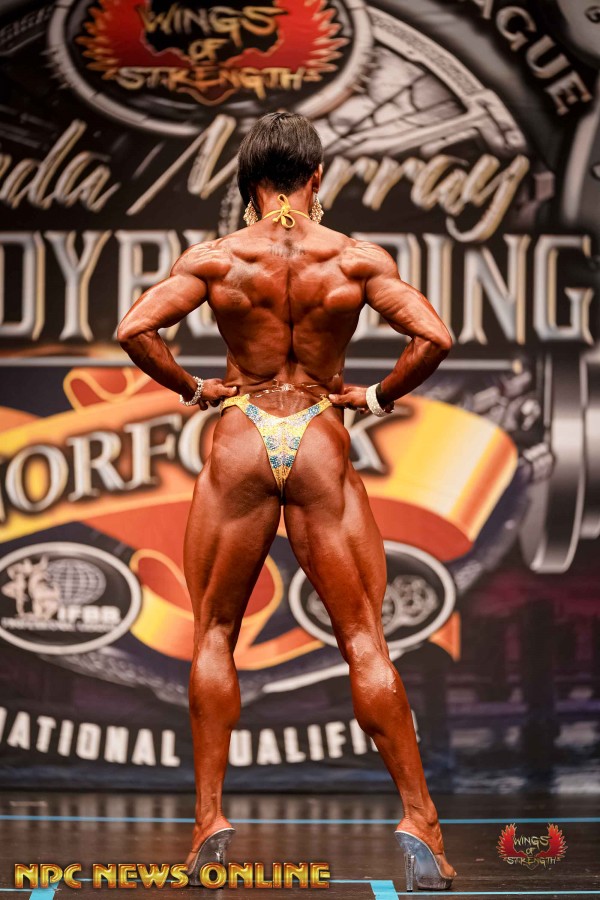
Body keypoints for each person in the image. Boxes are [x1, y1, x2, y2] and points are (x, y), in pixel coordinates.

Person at [117, 111, 456, 891]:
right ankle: (422, 826)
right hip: (317, 432)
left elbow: (135, 328)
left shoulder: (218, 258)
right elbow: (434, 338)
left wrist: (193, 387)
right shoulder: (354, 258)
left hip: (242, 431)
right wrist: (374, 395)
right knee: (363, 638)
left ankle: (209, 822)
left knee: (214, 633)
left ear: (248, 186)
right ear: (317, 179)